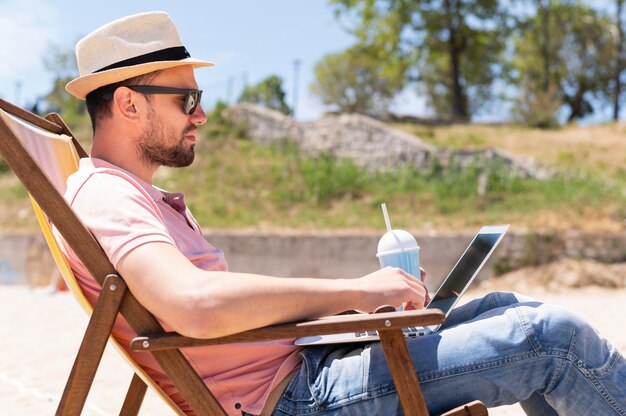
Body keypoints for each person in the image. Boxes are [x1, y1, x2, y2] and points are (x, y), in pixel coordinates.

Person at [56, 11, 626, 416]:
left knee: (508, 307)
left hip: (305, 366)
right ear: (129, 103)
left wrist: (358, 305)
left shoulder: (135, 196)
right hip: (298, 396)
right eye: (187, 100)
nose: (201, 116)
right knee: (554, 339)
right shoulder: (109, 196)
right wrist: (352, 292)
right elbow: (196, 308)